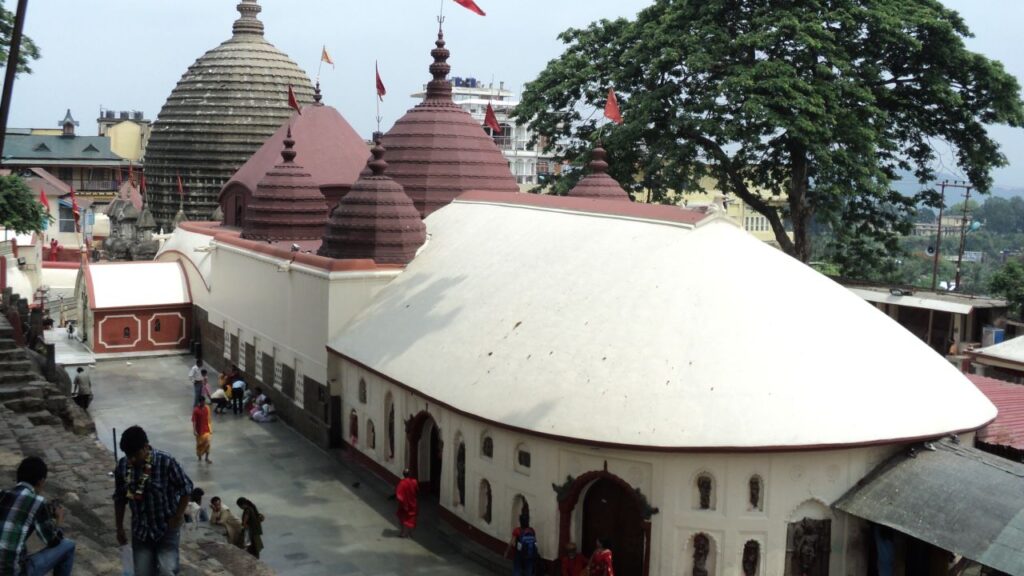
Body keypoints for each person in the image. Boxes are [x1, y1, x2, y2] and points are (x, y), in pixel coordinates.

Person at [114, 425, 193, 576]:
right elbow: (119, 498)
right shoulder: (123, 466)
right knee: (143, 572)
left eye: (135, 455)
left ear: (145, 447)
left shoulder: (166, 461)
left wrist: (178, 516)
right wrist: (119, 528)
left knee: (167, 570)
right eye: (128, 455)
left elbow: (186, 487)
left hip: (165, 528)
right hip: (140, 530)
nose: (132, 459)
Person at [0, 457, 75, 576]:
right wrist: (59, 520)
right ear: (41, 481)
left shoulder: (2, 494)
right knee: (68, 546)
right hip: (13, 572)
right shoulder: (37, 502)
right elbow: (53, 541)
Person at [395, 469, 418, 538]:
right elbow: (417, 491)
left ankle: (403, 533)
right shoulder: (414, 482)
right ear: (410, 474)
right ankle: (410, 533)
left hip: (404, 504)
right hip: (413, 503)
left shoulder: (402, 483)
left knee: (403, 518)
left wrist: (402, 503)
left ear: (403, 475)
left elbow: (399, 495)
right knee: (411, 519)